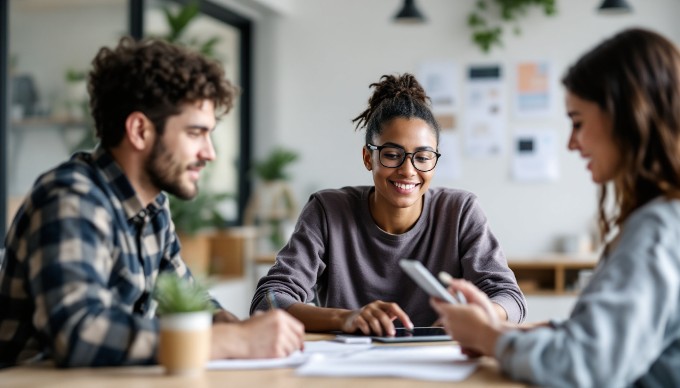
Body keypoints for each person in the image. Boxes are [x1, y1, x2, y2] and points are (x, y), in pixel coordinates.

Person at [0, 37, 304, 368]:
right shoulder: (71, 199)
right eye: (195, 133)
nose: (210, 153)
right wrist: (233, 341)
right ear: (140, 130)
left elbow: (190, 297)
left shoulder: (152, 206)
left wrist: (229, 324)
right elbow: (79, 332)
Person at [431, 28, 680, 387]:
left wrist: (487, 337)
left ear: (626, 116)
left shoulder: (658, 227)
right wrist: (496, 328)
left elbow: (585, 365)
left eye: (578, 122)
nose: (571, 143)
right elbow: (593, 338)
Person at [250, 73, 526, 336]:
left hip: (439, 365)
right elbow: (269, 299)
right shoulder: (328, 210)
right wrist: (345, 317)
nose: (408, 170)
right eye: (392, 154)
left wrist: (485, 311)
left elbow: (511, 299)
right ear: (368, 157)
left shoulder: (460, 211)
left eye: (423, 156)